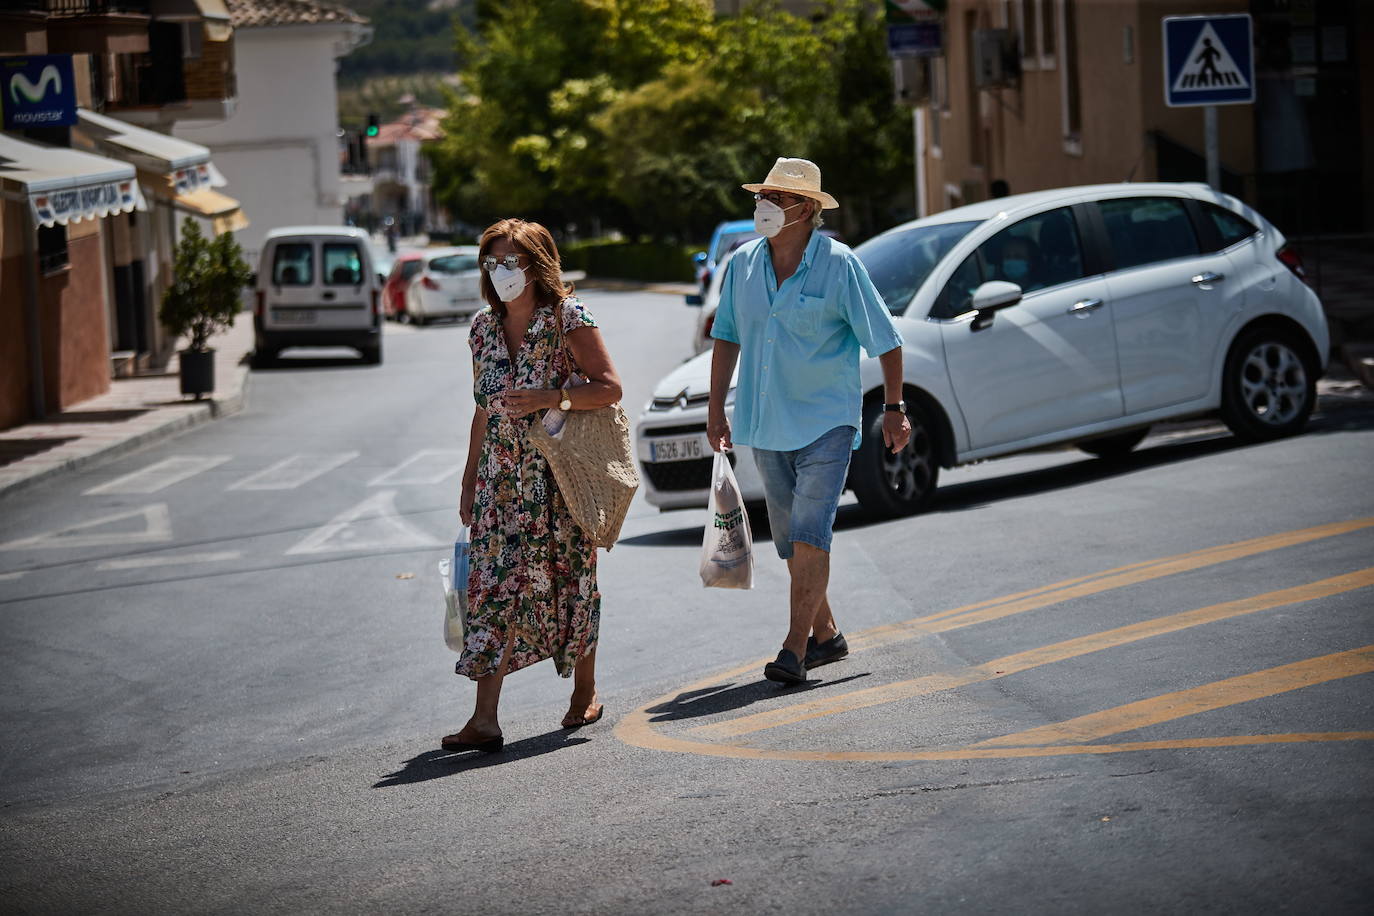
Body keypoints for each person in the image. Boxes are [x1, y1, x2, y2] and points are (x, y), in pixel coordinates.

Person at [707, 158, 911, 685]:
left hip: (827, 421)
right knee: (790, 541)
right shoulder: (743, 264)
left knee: (811, 533)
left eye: (777, 199)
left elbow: (885, 339)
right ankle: (827, 635)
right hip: (766, 421)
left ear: (808, 209)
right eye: (763, 198)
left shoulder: (839, 264)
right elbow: (726, 335)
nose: (765, 208)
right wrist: (714, 408)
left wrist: (893, 408)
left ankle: (794, 649)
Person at [442, 218, 624, 752]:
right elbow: (483, 410)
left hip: (559, 479)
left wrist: (552, 397)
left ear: (536, 266)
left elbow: (609, 388)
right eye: (491, 262)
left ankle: (585, 692)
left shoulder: (569, 316)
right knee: (493, 590)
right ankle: (484, 719)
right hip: (500, 487)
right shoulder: (481, 329)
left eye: (509, 262)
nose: (499, 272)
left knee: (572, 581)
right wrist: (469, 476)